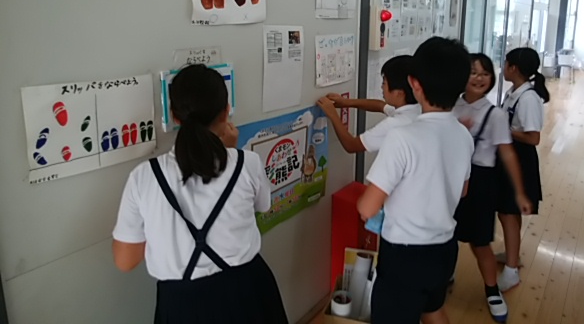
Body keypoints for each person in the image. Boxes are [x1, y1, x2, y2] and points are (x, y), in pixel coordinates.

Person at [112, 65, 288, 324]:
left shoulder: (144, 177)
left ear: (174, 116)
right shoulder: (246, 162)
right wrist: (230, 150)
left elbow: (125, 261)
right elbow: (262, 205)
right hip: (248, 292)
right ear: (226, 111)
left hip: (183, 305)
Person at [357, 37, 474, 324]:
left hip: (404, 255)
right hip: (444, 248)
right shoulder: (463, 134)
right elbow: (462, 191)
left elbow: (367, 207)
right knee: (432, 309)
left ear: (415, 84)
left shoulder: (402, 137)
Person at [452, 53, 532, 321]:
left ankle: (492, 290)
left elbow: (507, 154)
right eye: (473, 72)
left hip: (480, 183)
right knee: (446, 235)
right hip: (451, 179)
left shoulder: (495, 114)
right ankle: (443, 276)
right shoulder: (450, 106)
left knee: (480, 243)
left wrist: (519, 192)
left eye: (485, 73)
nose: (479, 78)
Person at [495, 47, 550, 292]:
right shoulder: (515, 92)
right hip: (510, 155)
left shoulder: (528, 98)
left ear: (513, 68)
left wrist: (505, 130)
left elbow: (533, 138)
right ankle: (512, 255)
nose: (503, 68)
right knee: (507, 211)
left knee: (508, 213)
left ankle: (511, 271)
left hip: (520, 158)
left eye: (506, 64)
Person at [316, 55, 421, 154]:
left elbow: (352, 145)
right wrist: (346, 102)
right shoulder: (416, 110)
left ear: (399, 93)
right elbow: (380, 105)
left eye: (384, 83)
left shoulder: (395, 124)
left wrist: (333, 115)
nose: (381, 87)